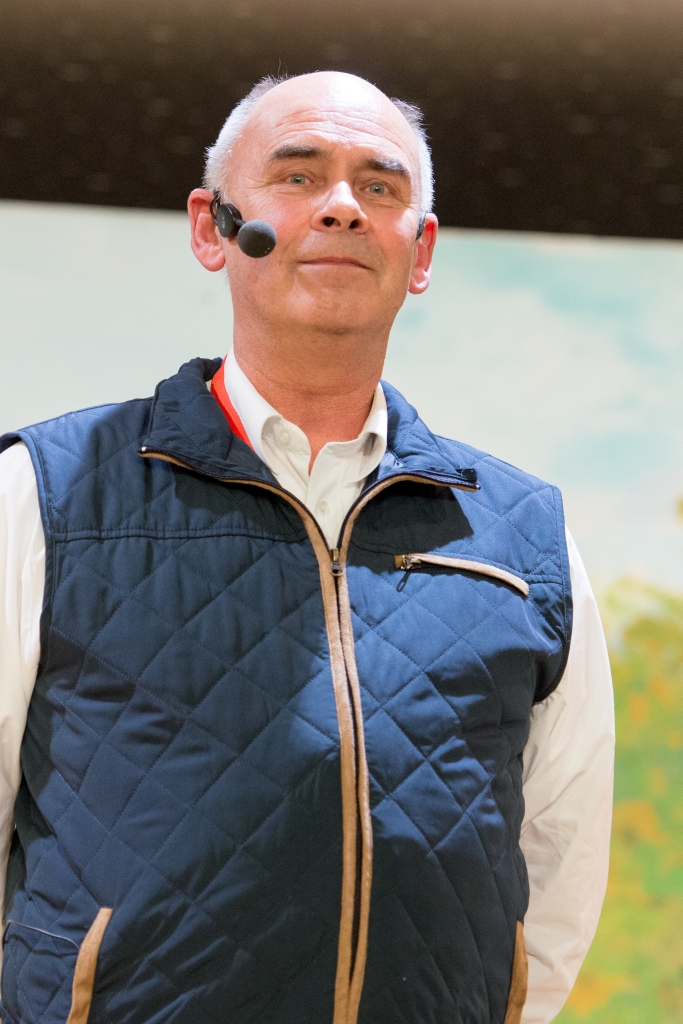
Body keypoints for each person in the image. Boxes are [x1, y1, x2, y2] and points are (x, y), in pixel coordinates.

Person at [0, 72, 614, 1024]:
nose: (342, 207)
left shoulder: (526, 534)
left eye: (379, 186)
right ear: (212, 227)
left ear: (420, 251)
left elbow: (557, 864)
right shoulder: (43, 491)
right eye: (297, 176)